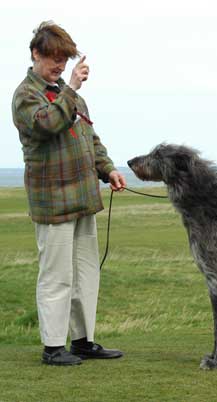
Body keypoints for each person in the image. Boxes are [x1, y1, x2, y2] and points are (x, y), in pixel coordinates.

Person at [11, 21, 127, 366]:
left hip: (83, 200)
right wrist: (72, 88)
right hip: (52, 203)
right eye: (53, 58)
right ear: (35, 53)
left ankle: (82, 341)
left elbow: (90, 139)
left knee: (86, 273)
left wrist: (108, 170)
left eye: (64, 59)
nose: (59, 66)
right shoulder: (25, 95)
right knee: (56, 276)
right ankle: (52, 347)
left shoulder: (69, 95)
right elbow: (47, 123)